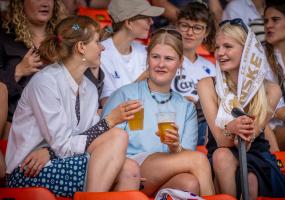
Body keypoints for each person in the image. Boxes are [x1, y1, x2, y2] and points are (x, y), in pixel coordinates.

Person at [5, 16, 143, 197]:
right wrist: (109, 120)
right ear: (81, 47)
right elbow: (64, 146)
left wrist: (49, 152)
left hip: (60, 158)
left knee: (130, 169)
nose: (102, 47)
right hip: (27, 170)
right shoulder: (46, 82)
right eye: (97, 42)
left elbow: (85, 138)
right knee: (117, 138)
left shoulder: (90, 88)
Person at [102, 28, 215, 197]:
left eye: (168, 58)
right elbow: (104, 145)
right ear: (148, 59)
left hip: (165, 173)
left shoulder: (186, 106)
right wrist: (126, 171)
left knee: (190, 183)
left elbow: (186, 156)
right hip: (128, 168)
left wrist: (176, 147)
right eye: (155, 57)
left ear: (180, 62)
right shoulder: (125, 94)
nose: (161, 64)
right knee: (199, 159)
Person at [197, 19, 285, 199]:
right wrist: (232, 128)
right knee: (222, 155)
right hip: (220, 153)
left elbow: (248, 140)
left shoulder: (270, 90)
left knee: (251, 181)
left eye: (228, 46)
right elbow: (221, 141)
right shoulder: (207, 85)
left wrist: (242, 132)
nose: (220, 53)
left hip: (256, 155)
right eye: (217, 47)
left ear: (247, 51)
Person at [0, 0, 66, 124]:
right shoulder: (4, 37)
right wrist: (18, 71)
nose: (45, 3)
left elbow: (80, 26)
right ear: (21, 3)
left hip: (60, 117)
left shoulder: (64, 33)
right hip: (19, 121)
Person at [99, 0, 164, 106]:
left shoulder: (145, 51)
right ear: (129, 23)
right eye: (146, 17)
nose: (151, 22)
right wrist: (142, 78)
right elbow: (108, 104)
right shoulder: (101, 53)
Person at [172, 1, 216, 145]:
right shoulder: (164, 60)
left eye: (197, 28)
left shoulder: (211, 67)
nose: (190, 33)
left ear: (206, 32)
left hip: (204, 123)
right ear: (176, 26)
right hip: (174, 124)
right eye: (185, 25)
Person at [264, 1, 285, 150]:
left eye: (275, 20)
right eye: (265, 21)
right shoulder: (258, 55)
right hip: (271, 130)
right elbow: (266, 98)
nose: (268, 25)